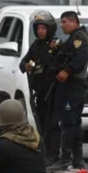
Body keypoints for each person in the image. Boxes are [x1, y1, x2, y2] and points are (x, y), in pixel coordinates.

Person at [47, 11, 88, 172]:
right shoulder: (73, 38)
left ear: (73, 21)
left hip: (73, 86)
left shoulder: (80, 37)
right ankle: (76, 159)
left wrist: (67, 70)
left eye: (64, 22)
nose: (62, 25)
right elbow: (65, 53)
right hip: (69, 86)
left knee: (70, 121)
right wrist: (56, 48)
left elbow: (80, 58)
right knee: (72, 121)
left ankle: (66, 158)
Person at [19, 10, 59, 164]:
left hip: (54, 91)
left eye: (43, 28)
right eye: (38, 29)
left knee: (53, 123)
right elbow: (23, 62)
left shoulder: (55, 45)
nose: (40, 31)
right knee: (41, 123)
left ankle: (54, 154)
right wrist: (27, 66)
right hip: (40, 92)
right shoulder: (36, 45)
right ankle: (46, 152)